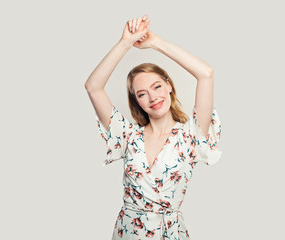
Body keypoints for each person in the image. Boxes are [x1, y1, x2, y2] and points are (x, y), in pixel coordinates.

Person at [85, 14, 222, 240]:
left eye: (157, 86)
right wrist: (125, 43)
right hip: (128, 232)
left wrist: (154, 42)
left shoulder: (191, 135)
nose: (153, 97)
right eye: (142, 94)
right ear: (137, 101)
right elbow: (93, 87)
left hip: (170, 233)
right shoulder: (128, 135)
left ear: (169, 85)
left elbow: (206, 74)